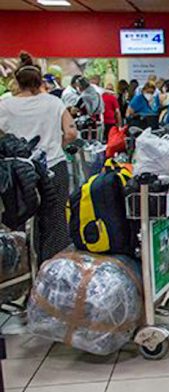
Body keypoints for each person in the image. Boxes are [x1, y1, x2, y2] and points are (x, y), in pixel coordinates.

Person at [0, 52, 77, 262]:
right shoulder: (54, 103)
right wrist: (56, 145)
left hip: (17, 172)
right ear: (40, 81)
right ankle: (50, 269)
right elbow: (71, 132)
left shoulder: (4, 105)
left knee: (17, 220)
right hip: (53, 167)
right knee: (55, 220)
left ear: (16, 81)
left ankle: (21, 268)